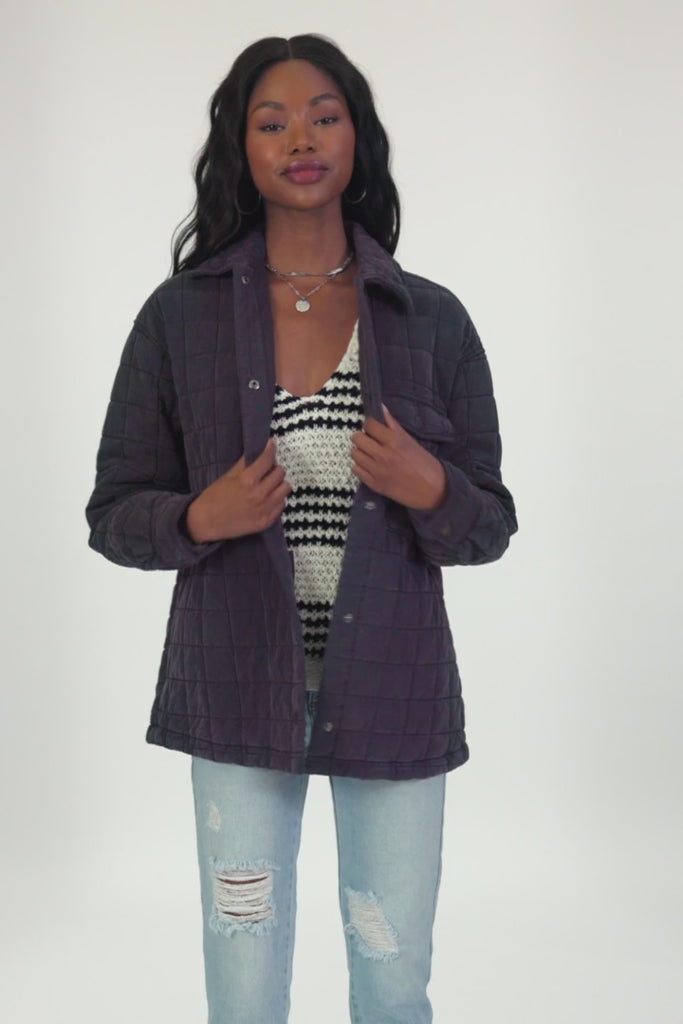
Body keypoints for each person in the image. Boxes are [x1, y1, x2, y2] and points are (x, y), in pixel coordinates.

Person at [85, 33, 517, 1024]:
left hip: (393, 695)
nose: (300, 139)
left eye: (323, 116)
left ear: (357, 136)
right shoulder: (179, 318)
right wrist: (198, 515)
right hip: (236, 696)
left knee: (392, 979)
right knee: (242, 980)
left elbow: (488, 523)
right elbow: (114, 511)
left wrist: (429, 487)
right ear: (239, 149)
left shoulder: (429, 319)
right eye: (270, 121)